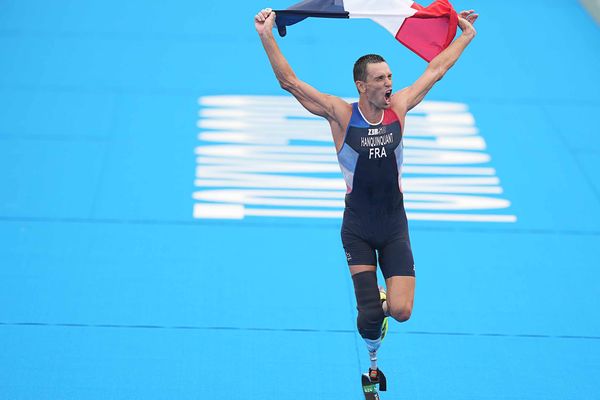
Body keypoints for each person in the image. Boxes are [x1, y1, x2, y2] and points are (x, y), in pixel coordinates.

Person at [254, 6, 478, 380]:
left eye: (390, 76)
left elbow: (436, 70)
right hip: (357, 226)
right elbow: (290, 82)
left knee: (402, 311)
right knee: (370, 314)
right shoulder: (340, 114)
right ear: (362, 85)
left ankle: (382, 305)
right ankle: (372, 365)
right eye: (380, 78)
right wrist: (266, 36)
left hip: (393, 224)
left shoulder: (401, 106)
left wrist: (465, 37)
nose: (389, 83)